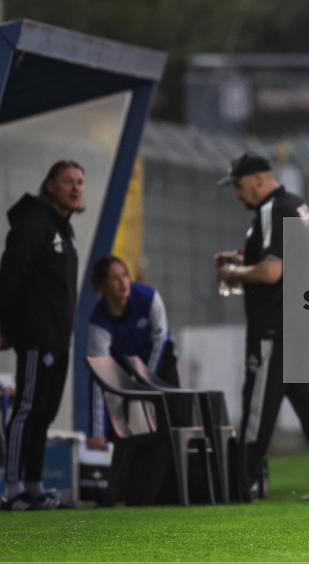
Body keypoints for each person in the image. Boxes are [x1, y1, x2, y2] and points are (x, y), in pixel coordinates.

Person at [216, 152, 309, 501]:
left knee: (258, 404)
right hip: (301, 324)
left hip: (276, 325)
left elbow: (271, 271)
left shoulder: (273, 208)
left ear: (258, 179)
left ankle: (240, 482)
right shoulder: (296, 205)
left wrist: (234, 273)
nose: (236, 193)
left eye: (238, 184)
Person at [0, 160, 85, 510]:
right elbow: (10, 277)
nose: (77, 187)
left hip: (58, 337)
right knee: (27, 410)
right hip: (36, 336)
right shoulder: (34, 225)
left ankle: (34, 484)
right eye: (68, 181)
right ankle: (12, 486)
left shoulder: (64, 229)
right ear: (50, 185)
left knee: (45, 413)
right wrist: (4, 327)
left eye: (80, 182)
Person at [86, 255, 177, 451]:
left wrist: (145, 380)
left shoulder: (149, 298)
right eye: (114, 278)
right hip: (125, 373)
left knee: (169, 426)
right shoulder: (99, 323)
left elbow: (160, 341)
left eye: (125, 275)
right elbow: (99, 376)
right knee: (127, 432)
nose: (123, 282)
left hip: (159, 366)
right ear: (101, 286)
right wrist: (97, 433)